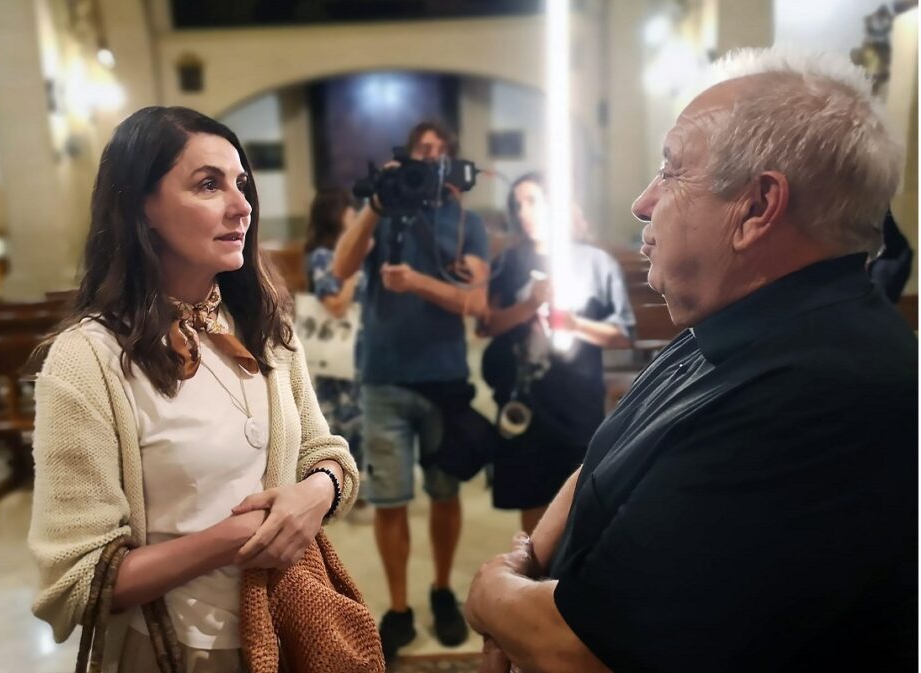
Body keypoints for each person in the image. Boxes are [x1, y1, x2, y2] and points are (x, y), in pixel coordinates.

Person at [464, 48, 917, 673]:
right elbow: (606, 456)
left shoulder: (820, 390)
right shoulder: (741, 319)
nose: (643, 203)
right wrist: (530, 561)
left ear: (757, 207)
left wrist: (493, 595)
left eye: (671, 170)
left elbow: (581, 650)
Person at [27, 106, 360, 673]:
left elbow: (323, 453)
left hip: (280, 630)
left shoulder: (262, 325)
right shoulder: (88, 359)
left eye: (242, 183)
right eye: (209, 184)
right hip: (172, 649)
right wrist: (237, 538)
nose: (242, 205)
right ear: (141, 208)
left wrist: (317, 492)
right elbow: (76, 581)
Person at [332, 120, 490, 662]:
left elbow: (478, 302)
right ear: (405, 158)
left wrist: (420, 283)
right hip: (384, 379)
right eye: (420, 152)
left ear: (451, 164)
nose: (429, 159)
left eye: (439, 153)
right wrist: (377, 203)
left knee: (446, 495)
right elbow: (340, 266)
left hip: (444, 380)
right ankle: (399, 607)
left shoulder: (466, 219)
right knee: (390, 500)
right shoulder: (382, 209)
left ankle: (443, 591)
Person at [480, 172, 635, 535]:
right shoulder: (511, 260)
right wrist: (528, 306)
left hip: (577, 396)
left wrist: (574, 324)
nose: (524, 212)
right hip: (526, 399)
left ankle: (568, 582)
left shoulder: (595, 262)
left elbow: (622, 335)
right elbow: (487, 325)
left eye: (532, 201)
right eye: (517, 205)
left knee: (579, 497)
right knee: (532, 497)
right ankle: (532, 579)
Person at [304, 188, 368, 508]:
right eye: (349, 209)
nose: (354, 214)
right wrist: (354, 272)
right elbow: (336, 305)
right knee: (342, 421)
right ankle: (342, 488)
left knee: (363, 417)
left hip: (361, 352)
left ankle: (361, 485)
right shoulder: (321, 257)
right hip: (339, 355)